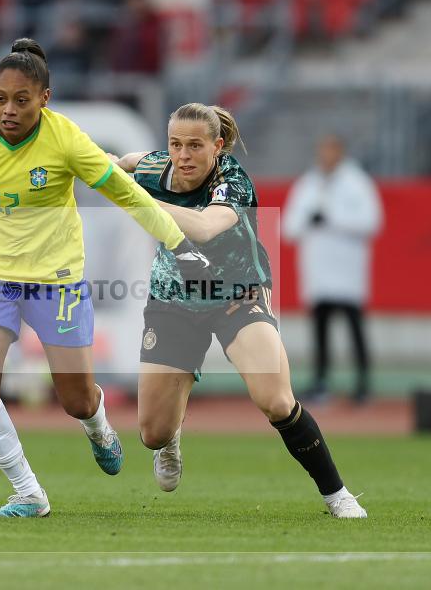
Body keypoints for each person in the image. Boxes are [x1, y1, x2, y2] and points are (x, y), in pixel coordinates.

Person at [0, 38, 214, 518]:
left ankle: (98, 426)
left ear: (43, 99)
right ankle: (28, 492)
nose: (8, 110)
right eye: (0, 98)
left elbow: (128, 195)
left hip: (56, 279)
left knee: (76, 400)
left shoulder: (66, 139)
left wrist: (179, 244)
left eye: (21, 100)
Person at [112, 103, 367, 518]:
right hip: (173, 297)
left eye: (195, 146)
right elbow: (123, 163)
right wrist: (101, 165)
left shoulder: (233, 180)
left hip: (238, 295)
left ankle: (337, 494)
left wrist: (138, 200)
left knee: (276, 400)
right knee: (152, 433)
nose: (183, 155)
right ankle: (173, 435)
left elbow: (204, 226)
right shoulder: (156, 168)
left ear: (218, 146)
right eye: (176, 144)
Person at [283, 134, 383, 403]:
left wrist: (333, 219)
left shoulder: (358, 183)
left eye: (331, 150)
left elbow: (372, 221)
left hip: (348, 270)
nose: (326, 156)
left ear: (341, 152)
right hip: (318, 271)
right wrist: (309, 219)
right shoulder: (308, 184)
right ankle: (320, 382)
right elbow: (289, 227)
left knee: (354, 327)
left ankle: (363, 384)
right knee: (320, 331)